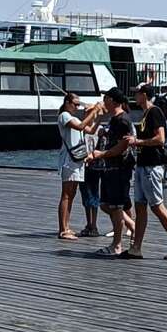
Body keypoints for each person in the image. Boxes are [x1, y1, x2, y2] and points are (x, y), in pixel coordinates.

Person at [126, 84, 167, 260]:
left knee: (156, 205)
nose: (135, 97)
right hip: (142, 165)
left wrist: (137, 142)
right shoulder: (146, 113)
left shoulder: (155, 112)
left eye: (137, 94)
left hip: (151, 166)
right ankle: (136, 247)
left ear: (144, 95)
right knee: (139, 206)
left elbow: (160, 139)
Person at [86, 88, 137, 255]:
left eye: (106, 98)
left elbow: (123, 146)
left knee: (116, 206)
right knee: (105, 205)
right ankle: (131, 225)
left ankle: (116, 245)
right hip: (109, 167)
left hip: (119, 168)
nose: (103, 101)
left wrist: (102, 154)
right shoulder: (113, 119)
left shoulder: (122, 120)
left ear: (114, 101)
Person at [55, 92, 99, 240]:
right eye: (75, 104)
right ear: (67, 103)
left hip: (77, 160)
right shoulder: (64, 116)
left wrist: (97, 116)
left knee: (72, 195)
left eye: (78, 104)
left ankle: (66, 226)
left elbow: (91, 130)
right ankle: (62, 229)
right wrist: (93, 111)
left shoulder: (74, 117)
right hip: (69, 160)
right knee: (66, 195)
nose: (77, 107)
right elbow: (80, 127)